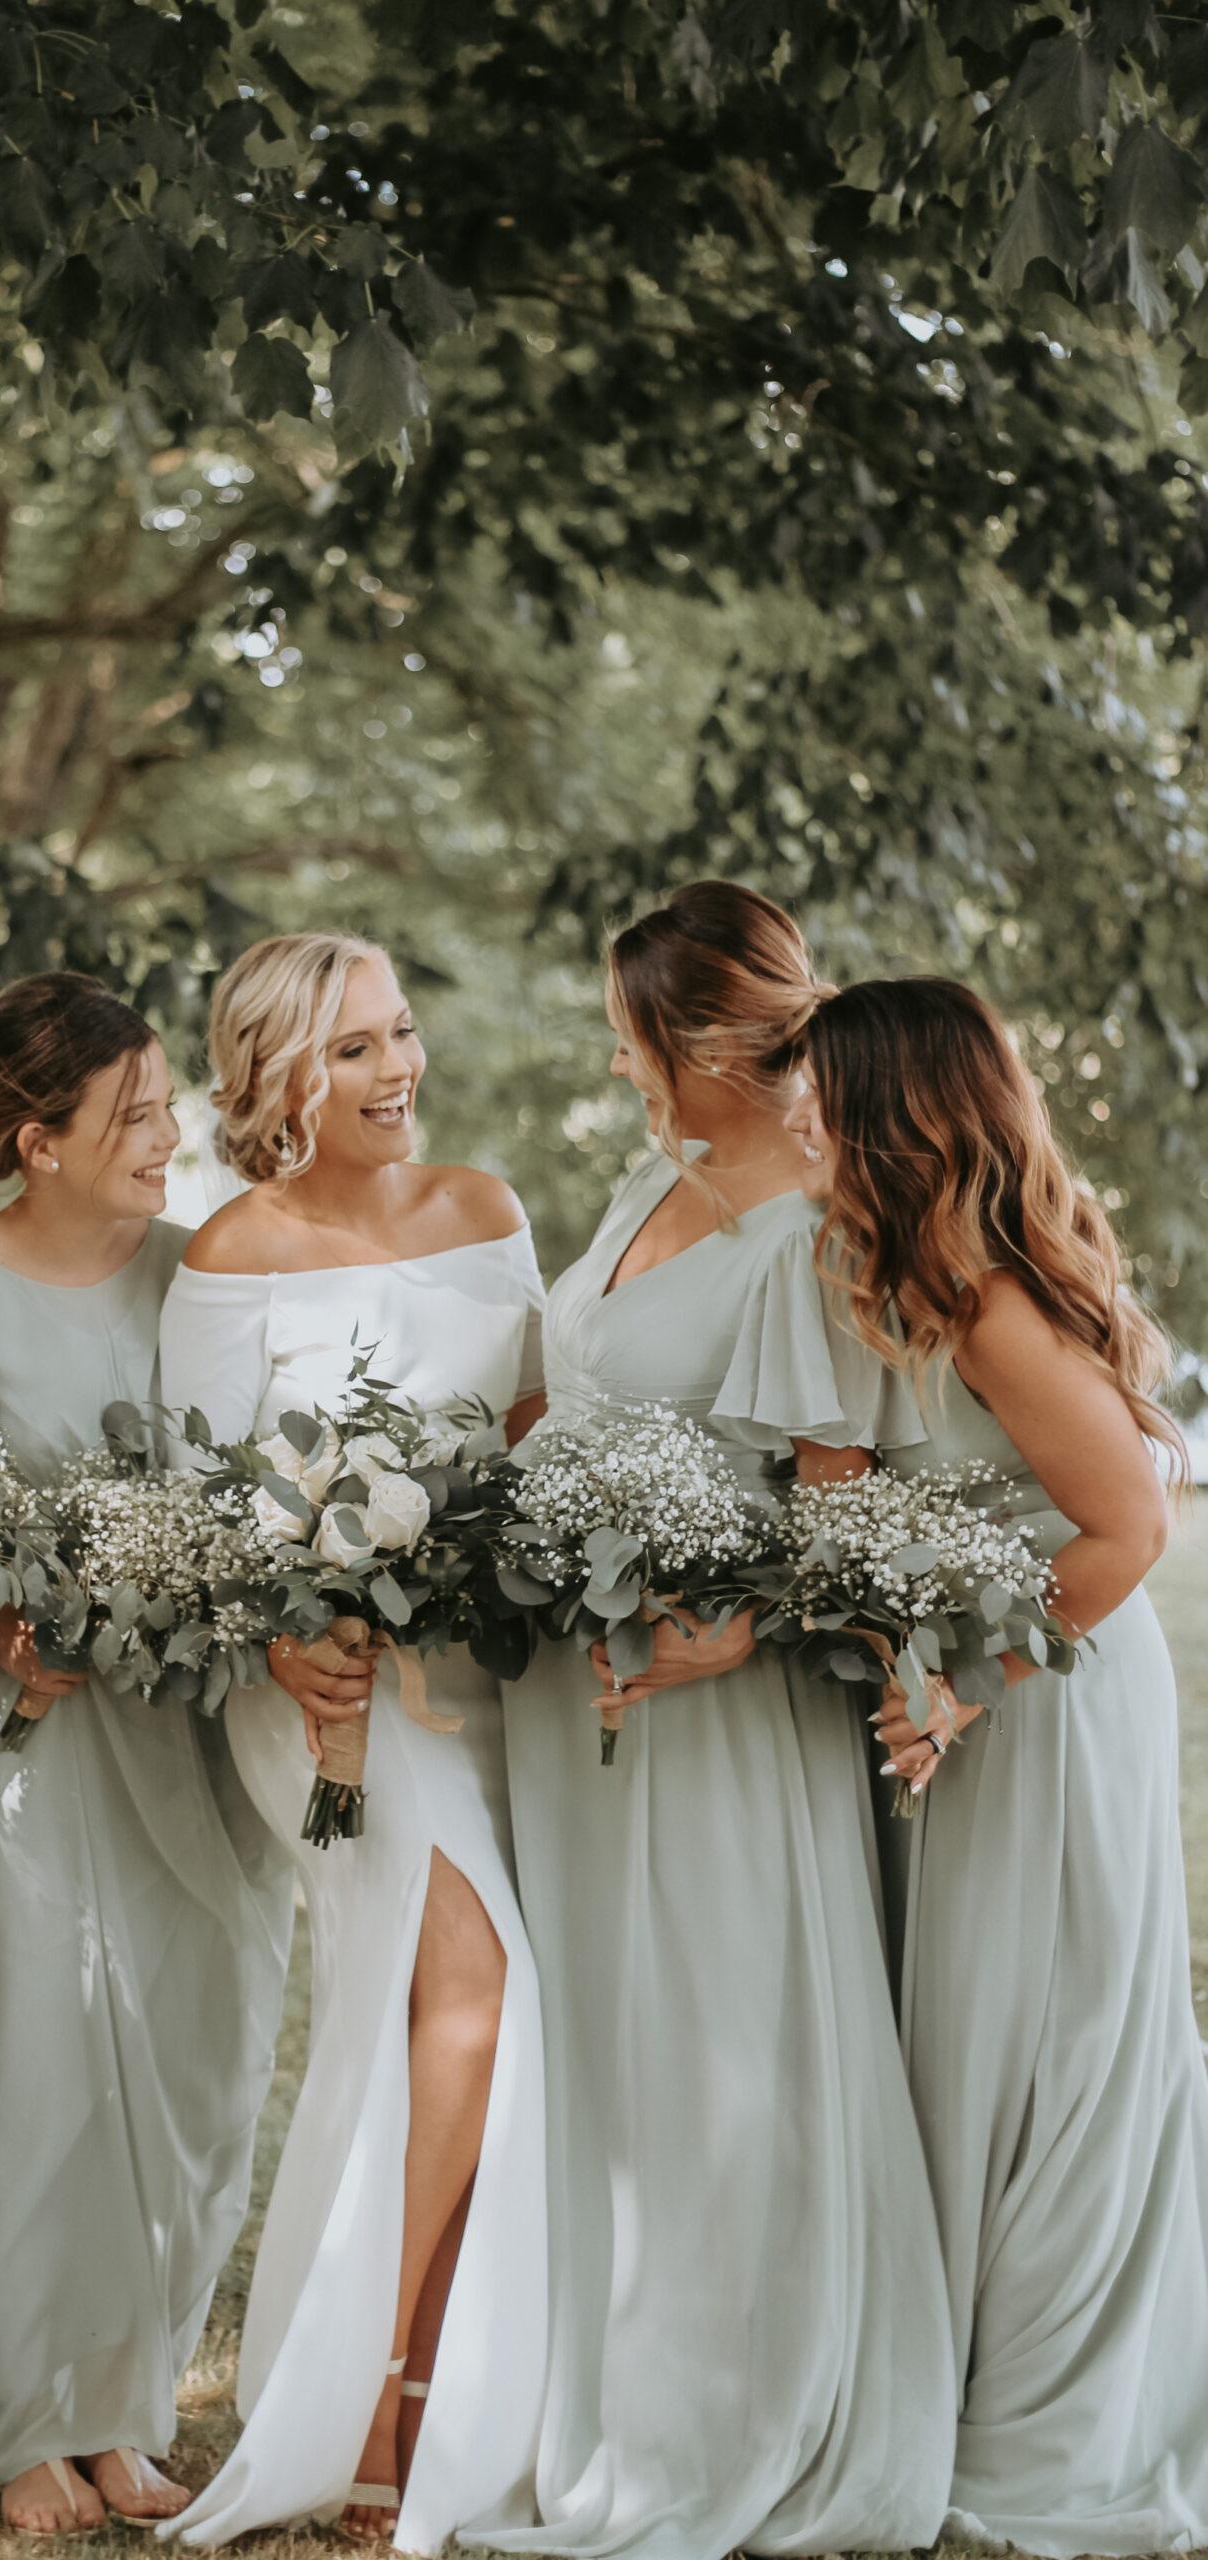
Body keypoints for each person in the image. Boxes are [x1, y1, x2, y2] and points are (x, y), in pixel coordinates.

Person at [478, 883, 955, 2560]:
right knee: (606, 2044)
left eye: (628, 1040)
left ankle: (730, 2415)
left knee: (717, 2042)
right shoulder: (647, 1179)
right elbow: (570, 1388)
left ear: (691, 1042)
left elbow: (841, 1498)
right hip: (573, 1682)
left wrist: (722, 1636)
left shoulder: (822, 1221)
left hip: (716, 1704)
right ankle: (597, 2398)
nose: (617, 1070)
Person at [0, 973, 291, 2537]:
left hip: (186, 1738)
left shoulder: (206, 1277)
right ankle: (22, 2413)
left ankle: (124, 2404)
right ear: (37, 1143)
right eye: (132, 1115)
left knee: (190, 2055)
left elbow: (261, 1483)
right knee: (34, 2068)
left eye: (165, 1103)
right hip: (20, 1739)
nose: (170, 1135)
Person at [788, 975, 1208, 2556]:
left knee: (1054, 2054)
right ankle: (964, 2384)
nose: (803, 1124)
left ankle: (1059, 2421)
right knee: (971, 2041)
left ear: (893, 1118)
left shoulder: (995, 1310)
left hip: (1051, 1699)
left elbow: (1129, 1531)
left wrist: (967, 1686)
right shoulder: (890, 1283)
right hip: (968, 1702)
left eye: (825, 1100)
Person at [157, 933, 549, 2556]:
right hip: (317, 1700)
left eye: (400, 1036)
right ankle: (377, 2388)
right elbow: (187, 1509)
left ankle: (440, 2388)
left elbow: (534, 1440)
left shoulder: (485, 1212)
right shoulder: (232, 1251)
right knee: (474, 1983)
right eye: (351, 1053)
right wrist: (287, 1633)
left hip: (477, 1679)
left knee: (448, 2014)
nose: (398, 1072)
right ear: (275, 1082)